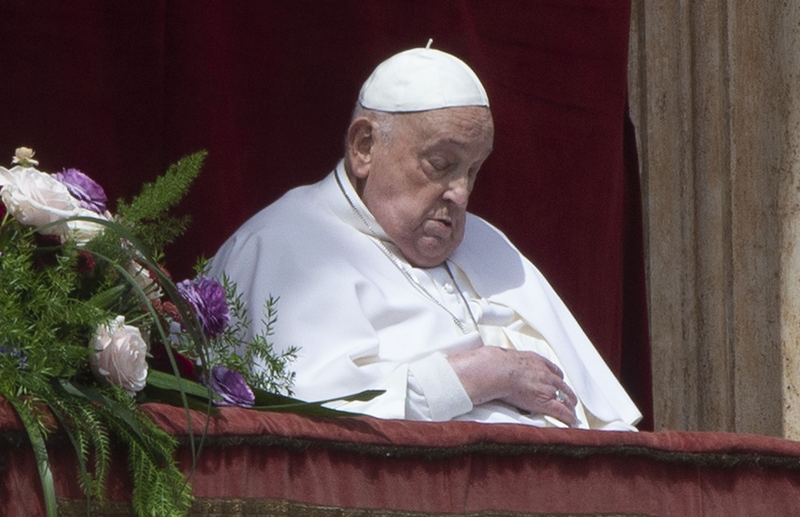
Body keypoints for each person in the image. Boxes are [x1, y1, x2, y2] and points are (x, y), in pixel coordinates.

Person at [209, 45, 641, 430]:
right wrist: (476, 377)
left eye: (473, 170)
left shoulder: (488, 243)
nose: (461, 193)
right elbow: (312, 421)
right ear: (364, 147)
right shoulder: (283, 244)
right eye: (441, 163)